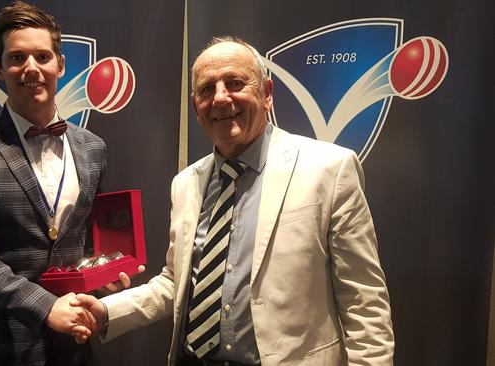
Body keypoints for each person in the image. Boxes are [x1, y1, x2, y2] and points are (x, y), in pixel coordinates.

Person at [71, 36, 394, 365]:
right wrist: (108, 311)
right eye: (206, 89)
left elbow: (363, 301)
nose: (221, 98)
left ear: (267, 93)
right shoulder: (186, 184)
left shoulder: (328, 169)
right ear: (195, 105)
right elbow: (177, 281)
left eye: (235, 83)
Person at [0, 2, 138, 365]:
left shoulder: (92, 148)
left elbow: (86, 241)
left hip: (70, 349)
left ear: (60, 64)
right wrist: (46, 308)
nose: (31, 68)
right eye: (17, 58)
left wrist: (100, 276)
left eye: (42, 56)